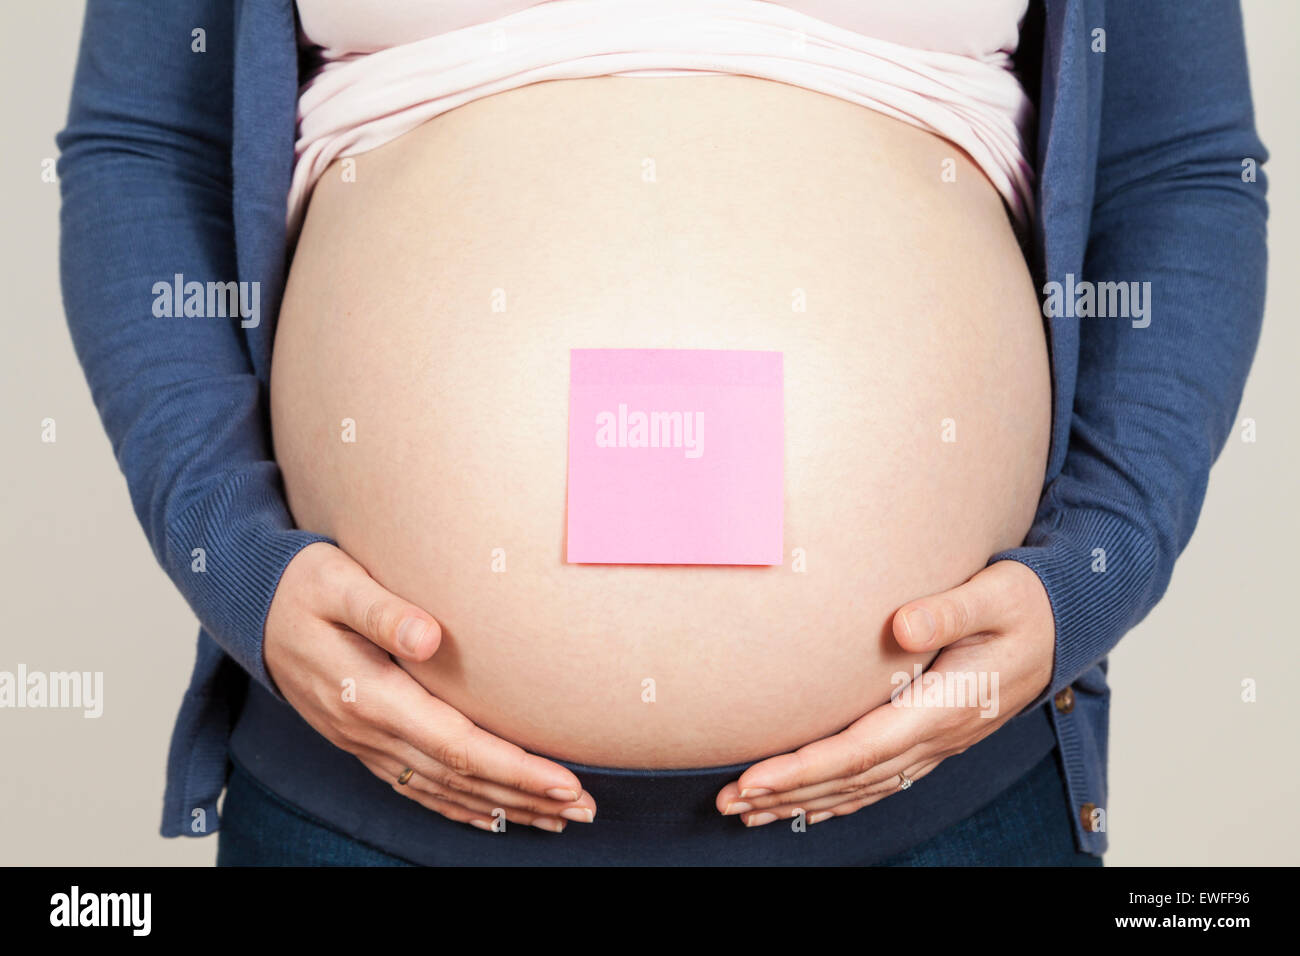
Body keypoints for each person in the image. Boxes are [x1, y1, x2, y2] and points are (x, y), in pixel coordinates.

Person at [57, 0, 1267, 865]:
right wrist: (232, 553)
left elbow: (1182, 168)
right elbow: (142, 145)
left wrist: (1095, 569)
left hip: (941, 814)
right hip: (364, 807)